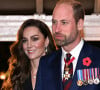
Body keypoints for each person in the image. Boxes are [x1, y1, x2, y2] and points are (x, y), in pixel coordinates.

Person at [35, 0, 100, 90]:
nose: (57, 29)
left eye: (64, 23)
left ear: (79, 24)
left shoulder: (97, 58)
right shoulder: (45, 63)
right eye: (54, 22)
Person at [1, 19, 57, 90]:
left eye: (35, 39)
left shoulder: (60, 72)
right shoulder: (20, 74)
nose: (29, 45)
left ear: (46, 41)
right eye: (25, 40)